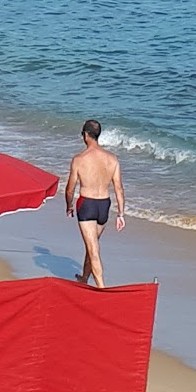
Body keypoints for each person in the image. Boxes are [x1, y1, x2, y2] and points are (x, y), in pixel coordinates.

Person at [65, 119, 125, 288]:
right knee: (92, 244)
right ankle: (84, 277)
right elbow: (119, 188)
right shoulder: (112, 159)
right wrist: (121, 214)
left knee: (93, 249)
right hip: (104, 206)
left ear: (85, 135)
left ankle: (101, 288)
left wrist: (69, 206)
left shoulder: (79, 159)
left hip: (87, 205)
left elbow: (70, 189)